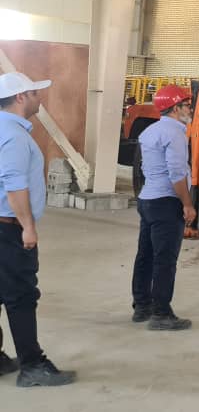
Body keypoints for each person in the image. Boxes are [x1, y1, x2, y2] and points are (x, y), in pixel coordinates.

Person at [0, 72, 76, 387]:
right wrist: (27, 227)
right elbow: (14, 184)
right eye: (34, 93)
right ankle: (32, 366)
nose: (38, 97)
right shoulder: (14, 135)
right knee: (21, 295)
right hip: (8, 229)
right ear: (20, 97)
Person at [130, 85, 196, 331]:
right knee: (165, 260)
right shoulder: (175, 133)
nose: (190, 110)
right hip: (166, 203)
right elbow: (177, 173)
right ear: (175, 108)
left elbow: (144, 167)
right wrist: (187, 204)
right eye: (187, 105)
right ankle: (161, 314)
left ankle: (142, 306)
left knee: (145, 255)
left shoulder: (150, 131)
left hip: (147, 200)